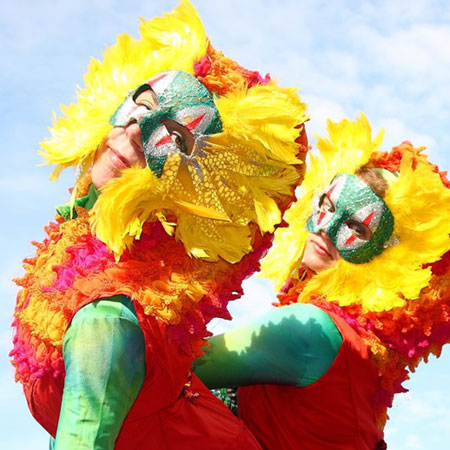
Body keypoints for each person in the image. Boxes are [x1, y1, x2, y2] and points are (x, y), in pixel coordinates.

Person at [10, 1, 308, 448]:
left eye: (175, 133)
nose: (135, 131)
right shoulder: (92, 275)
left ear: (205, 186)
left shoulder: (107, 323)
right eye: (142, 104)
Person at [194, 114, 450, 449]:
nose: (327, 228)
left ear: (390, 259)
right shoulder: (357, 346)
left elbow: (177, 363)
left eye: (358, 228)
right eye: (328, 205)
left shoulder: (312, 328)